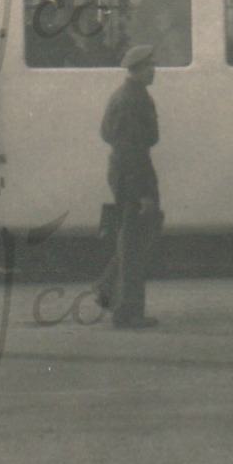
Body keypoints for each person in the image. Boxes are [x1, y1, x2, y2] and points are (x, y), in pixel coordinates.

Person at [95, 44, 163, 329]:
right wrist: (144, 194)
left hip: (126, 170)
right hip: (132, 173)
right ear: (137, 69)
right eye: (150, 67)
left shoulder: (128, 95)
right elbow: (132, 148)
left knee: (132, 236)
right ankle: (127, 312)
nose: (154, 71)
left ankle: (108, 288)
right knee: (135, 241)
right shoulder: (132, 99)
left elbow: (106, 133)